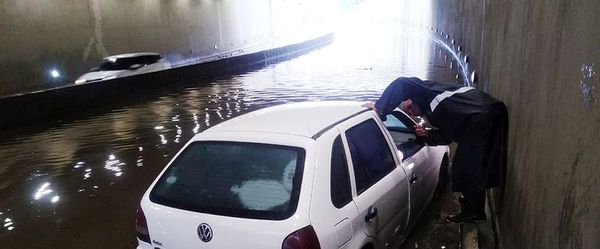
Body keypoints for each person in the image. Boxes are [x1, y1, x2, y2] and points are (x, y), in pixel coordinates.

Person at [364, 77, 508, 223]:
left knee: (466, 165)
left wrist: (380, 107)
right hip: (487, 111)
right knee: (475, 164)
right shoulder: (435, 106)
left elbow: (401, 83)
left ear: (411, 98)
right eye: (411, 113)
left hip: (481, 115)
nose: (413, 113)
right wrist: (427, 134)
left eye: (409, 108)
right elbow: (448, 136)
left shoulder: (427, 93)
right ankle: (474, 210)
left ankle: (474, 212)